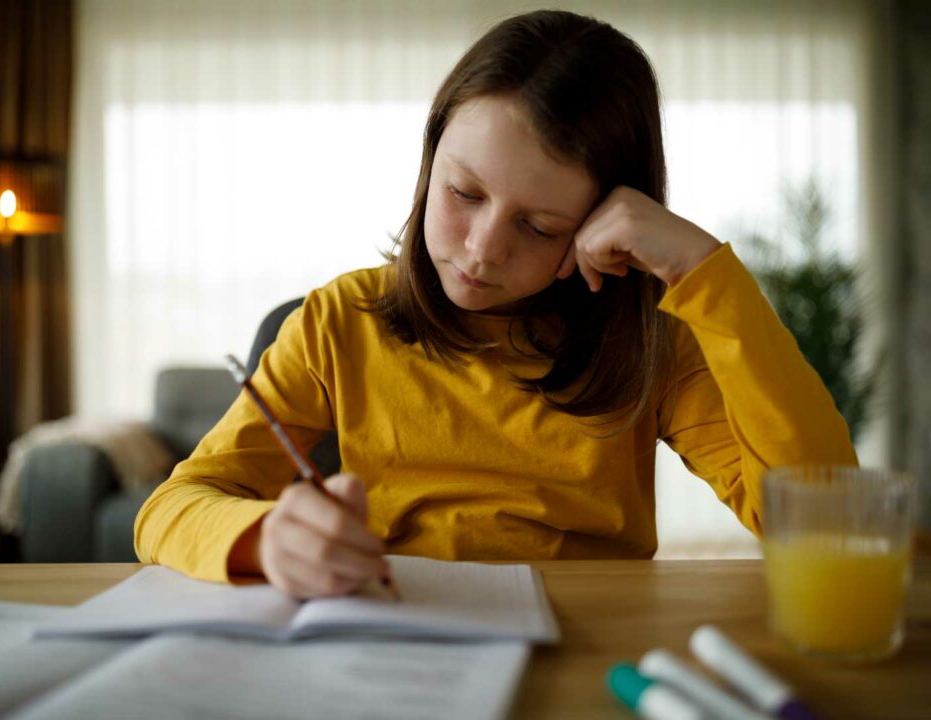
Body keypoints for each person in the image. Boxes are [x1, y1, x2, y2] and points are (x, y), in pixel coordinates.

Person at [134, 9, 856, 597]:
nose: (482, 250)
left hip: (594, 645)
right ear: (430, 157)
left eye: (539, 227)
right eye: (464, 194)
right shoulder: (338, 321)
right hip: (397, 636)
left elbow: (822, 522)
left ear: (606, 222)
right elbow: (169, 509)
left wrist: (705, 270)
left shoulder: (650, 344)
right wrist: (265, 538)